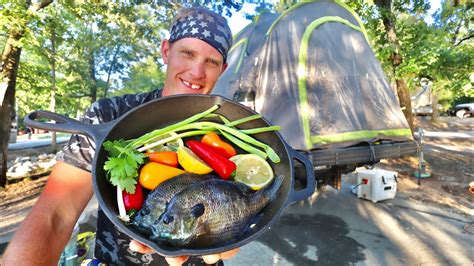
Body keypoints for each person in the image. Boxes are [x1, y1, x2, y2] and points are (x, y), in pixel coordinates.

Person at [2, 7, 239, 265]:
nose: (196, 72)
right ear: (166, 51)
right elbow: (56, 215)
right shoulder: (108, 116)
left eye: (211, 62)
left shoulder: (230, 125)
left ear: (223, 69)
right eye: (187, 53)